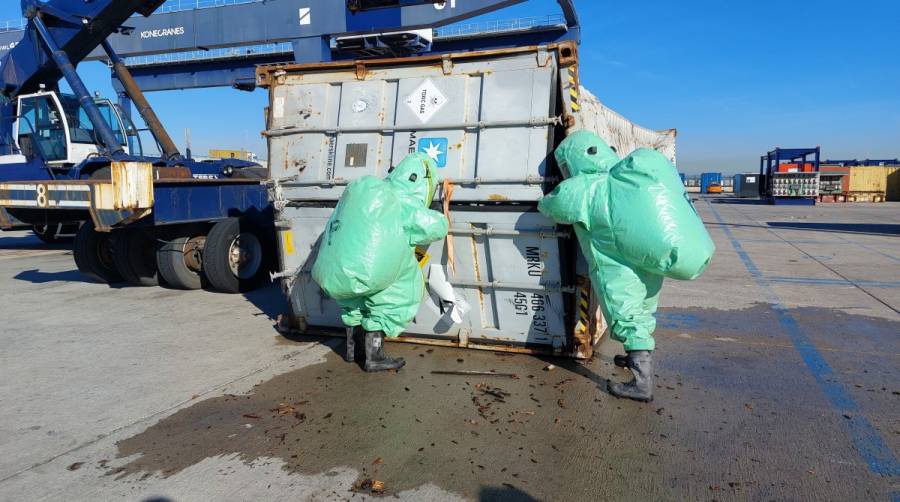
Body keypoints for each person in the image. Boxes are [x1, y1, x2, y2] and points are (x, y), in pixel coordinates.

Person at [538, 131, 714, 402]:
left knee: (625, 312)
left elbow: (555, 206)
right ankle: (636, 357)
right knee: (644, 305)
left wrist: (541, 201)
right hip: (647, 256)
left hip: (616, 261)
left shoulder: (587, 186)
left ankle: (641, 383)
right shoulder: (625, 179)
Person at [312, 153, 449, 372]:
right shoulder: (403, 202)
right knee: (392, 297)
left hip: (341, 267)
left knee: (353, 303)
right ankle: (374, 356)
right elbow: (436, 227)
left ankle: (352, 350)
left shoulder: (372, 194)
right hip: (374, 274)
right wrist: (440, 214)